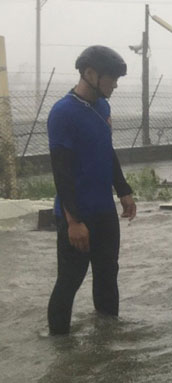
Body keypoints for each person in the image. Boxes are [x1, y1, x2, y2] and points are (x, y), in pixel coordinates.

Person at [47, 45, 136, 335]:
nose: (115, 85)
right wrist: (73, 222)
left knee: (108, 275)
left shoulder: (102, 107)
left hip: (104, 212)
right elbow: (62, 171)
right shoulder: (63, 113)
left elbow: (106, 151)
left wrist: (123, 190)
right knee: (70, 281)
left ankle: (108, 342)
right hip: (77, 214)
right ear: (90, 74)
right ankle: (60, 348)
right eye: (112, 78)